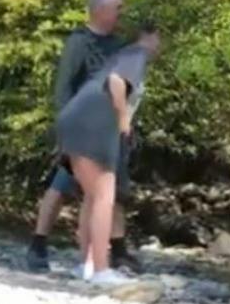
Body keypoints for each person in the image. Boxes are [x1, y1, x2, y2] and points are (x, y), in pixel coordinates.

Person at [25, 0, 137, 273]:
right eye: (117, 8)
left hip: (107, 128)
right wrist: (66, 132)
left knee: (112, 188)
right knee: (62, 186)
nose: (121, 13)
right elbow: (63, 88)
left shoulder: (118, 45)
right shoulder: (78, 43)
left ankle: (118, 250)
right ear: (100, 10)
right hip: (79, 128)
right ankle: (39, 244)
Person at [54, 23, 162, 288]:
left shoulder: (120, 54)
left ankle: (87, 265)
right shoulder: (136, 54)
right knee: (104, 196)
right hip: (94, 126)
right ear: (148, 37)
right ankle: (102, 270)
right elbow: (116, 82)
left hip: (72, 120)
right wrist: (124, 120)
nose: (160, 45)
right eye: (159, 38)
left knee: (92, 197)